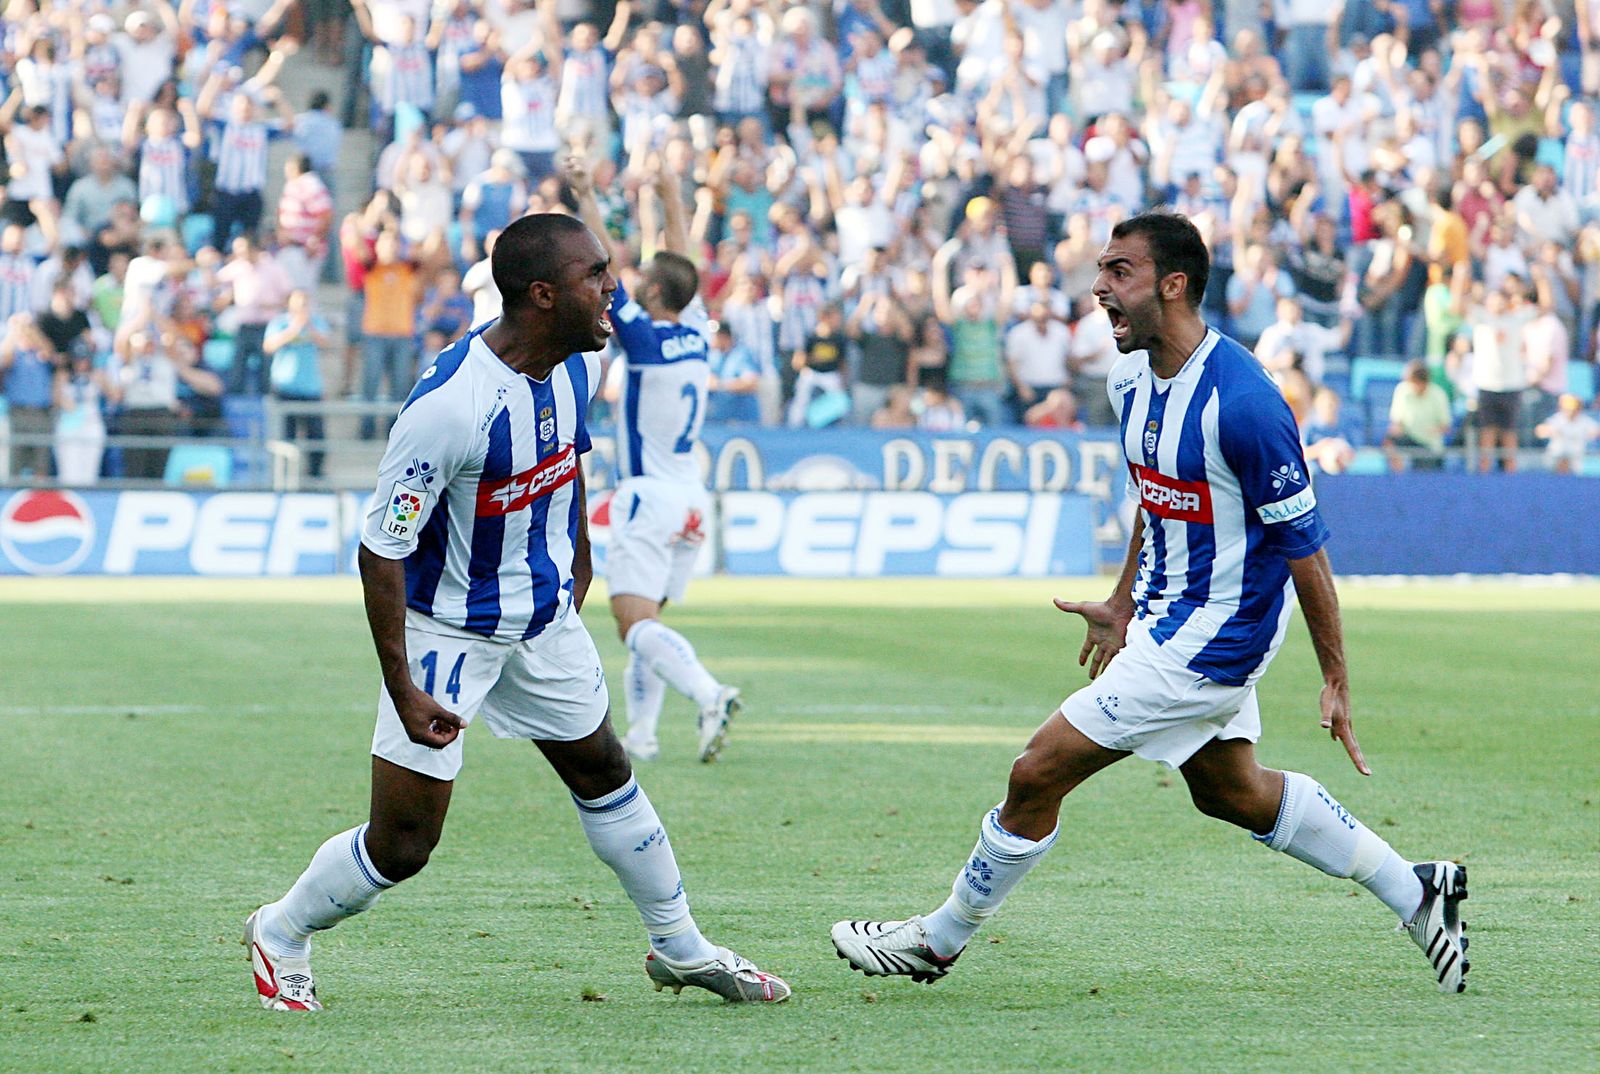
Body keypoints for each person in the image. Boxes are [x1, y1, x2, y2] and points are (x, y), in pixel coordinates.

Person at [831, 212, 1470, 997]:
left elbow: (1305, 546)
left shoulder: (1245, 402)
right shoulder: (1129, 378)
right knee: (1231, 791)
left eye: (1118, 271)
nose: (1099, 287)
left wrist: (1335, 675)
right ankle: (1418, 890)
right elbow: (1156, 493)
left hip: (1216, 635)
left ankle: (939, 939)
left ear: (1173, 285)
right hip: (1167, 618)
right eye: (1101, 269)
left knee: (1036, 773)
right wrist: (1121, 598)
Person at [244, 212, 790, 1014]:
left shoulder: (575, 367)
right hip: (446, 633)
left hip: (539, 621)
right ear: (542, 295)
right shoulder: (449, 406)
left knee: (605, 769)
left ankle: (680, 947)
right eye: (595, 276)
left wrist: (580, 556)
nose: (614, 290)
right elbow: (381, 548)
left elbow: (569, 458)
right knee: (403, 845)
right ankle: (281, 929)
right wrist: (402, 685)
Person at [567, 158, 744, 765]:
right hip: (691, 499)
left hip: (650, 496)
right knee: (647, 625)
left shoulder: (642, 338)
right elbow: (684, 264)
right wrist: (671, 193)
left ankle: (710, 693)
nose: (632, 282)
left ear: (653, 294)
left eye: (643, 280)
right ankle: (641, 734)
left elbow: (603, 266)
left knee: (632, 624)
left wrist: (587, 194)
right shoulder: (696, 329)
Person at [1384, 359, 1453, 471]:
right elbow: (1396, 421)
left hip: (1430, 446)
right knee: (1390, 440)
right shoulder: (1402, 390)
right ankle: (1398, 476)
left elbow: (1446, 426)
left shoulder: (1438, 394)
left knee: (1426, 469)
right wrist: (1397, 428)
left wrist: (1433, 431)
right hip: (1409, 439)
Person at [1534, 394, 1600, 474]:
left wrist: (1593, 434)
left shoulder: (1585, 421)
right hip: (1556, 457)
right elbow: (1540, 431)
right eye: (1568, 409)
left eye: (1573, 409)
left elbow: (1595, 430)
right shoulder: (1558, 419)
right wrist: (1549, 431)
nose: (1571, 412)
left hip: (1575, 457)